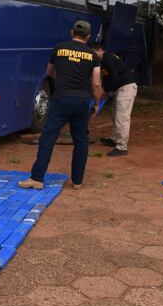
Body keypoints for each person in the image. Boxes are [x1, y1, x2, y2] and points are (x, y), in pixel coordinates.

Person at [18, 20, 102, 191]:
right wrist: (96, 104)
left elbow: (49, 73)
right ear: (88, 36)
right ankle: (77, 181)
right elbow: (96, 84)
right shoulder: (93, 55)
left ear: (72, 32)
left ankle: (37, 178)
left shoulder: (59, 48)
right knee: (81, 141)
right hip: (82, 102)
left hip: (61, 99)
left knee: (48, 137)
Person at [91, 43, 137, 157]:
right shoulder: (103, 61)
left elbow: (114, 77)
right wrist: (106, 91)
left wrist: (105, 90)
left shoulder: (107, 57)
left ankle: (122, 147)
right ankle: (115, 139)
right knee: (115, 114)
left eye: (94, 52)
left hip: (126, 88)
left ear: (101, 50)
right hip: (120, 88)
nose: (93, 55)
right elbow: (108, 77)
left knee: (122, 117)